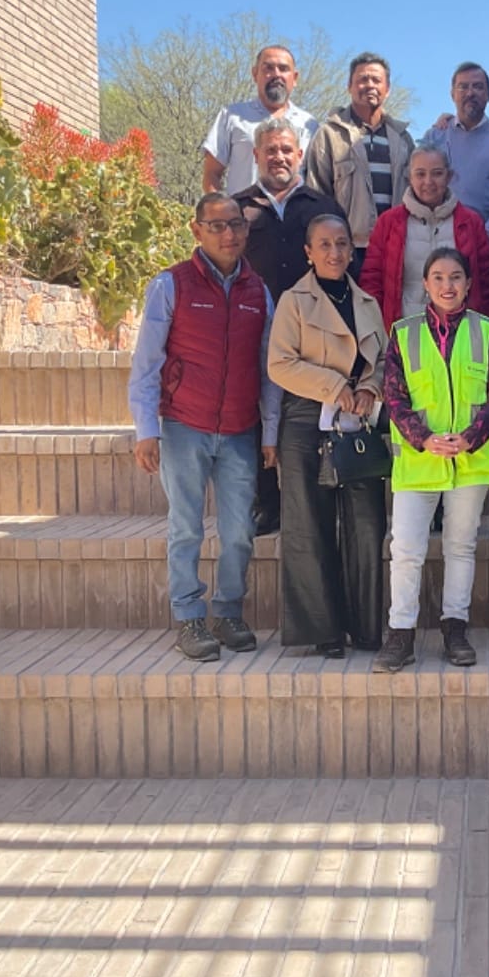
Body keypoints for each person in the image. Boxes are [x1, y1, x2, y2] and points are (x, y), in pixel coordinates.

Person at [127, 193, 280, 662]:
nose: (227, 234)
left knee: (238, 531)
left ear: (246, 230)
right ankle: (190, 617)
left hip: (239, 429)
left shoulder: (259, 292)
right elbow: (147, 361)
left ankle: (228, 610)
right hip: (183, 425)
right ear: (196, 231)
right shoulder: (170, 285)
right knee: (186, 527)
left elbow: (268, 367)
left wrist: (269, 431)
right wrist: (145, 428)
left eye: (235, 224)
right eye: (216, 226)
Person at [378, 248, 489, 672]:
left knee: (460, 547)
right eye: (438, 277)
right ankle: (401, 633)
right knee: (406, 549)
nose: (447, 285)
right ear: (425, 284)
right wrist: (424, 439)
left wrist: (471, 438)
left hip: (468, 460)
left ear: (469, 284)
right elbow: (394, 396)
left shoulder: (486, 331)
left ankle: (455, 627)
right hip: (419, 461)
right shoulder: (403, 333)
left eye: (456, 277)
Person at [267, 214, 389, 657]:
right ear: (308, 252)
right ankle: (324, 631)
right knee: (309, 527)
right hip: (306, 421)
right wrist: (334, 386)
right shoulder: (293, 301)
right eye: (324, 245)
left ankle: (366, 628)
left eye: (341, 244)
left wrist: (370, 387)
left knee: (366, 525)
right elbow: (279, 363)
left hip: (358, 422)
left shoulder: (368, 303)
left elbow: (382, 360)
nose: (335, 253)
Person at [231, 116, 342, 535]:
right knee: (257, 408)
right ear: (257, 156)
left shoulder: (322, 206)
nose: (279, 157)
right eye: (270, 150)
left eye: (286, 150)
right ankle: (267, 502)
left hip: (311, 325)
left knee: (309, 410)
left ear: (299, 155)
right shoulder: (238, 208)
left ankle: (316, 497)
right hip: (251, 323)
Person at [361, 144, 489, 327]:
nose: (428, 181)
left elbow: (485, 282)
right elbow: (372, 280)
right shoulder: (388, 223)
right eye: (420, 174)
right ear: (409, 177)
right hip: (404, 330)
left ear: (448, 176)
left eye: (437, 173)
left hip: (460, 334)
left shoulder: (471, 223)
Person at [304, 52, 415, 260]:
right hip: (347, 250)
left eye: (376, 80)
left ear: (387, 89)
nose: (370, 85)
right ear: (349, 86)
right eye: (363, 79)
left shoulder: (403, 139)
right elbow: (316, 195)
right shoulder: (329, 134)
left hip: (397, 246)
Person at [421, 62, 489, 240]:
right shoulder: (434, 137)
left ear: (488, 94)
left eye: (478, 86)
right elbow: (420, 186)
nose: (470, 93)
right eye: (463, 87)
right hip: (440, 241)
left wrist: (487, 232)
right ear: (452, 94)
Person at [202, 44, 318, 194]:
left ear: (294, 78)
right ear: (255, 74)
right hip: (243, 215)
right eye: (268, 68)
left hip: (295, 216)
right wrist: (221, 214)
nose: (276, 74)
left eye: (283, 69)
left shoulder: (310, 125)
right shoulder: (232, 116)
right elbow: (211, 174)